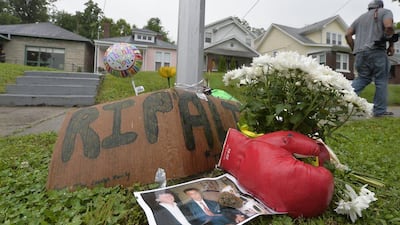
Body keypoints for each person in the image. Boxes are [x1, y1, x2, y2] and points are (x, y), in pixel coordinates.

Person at [345, 0, 395, 117]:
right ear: (380, 6)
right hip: (376, 51)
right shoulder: (386, 12)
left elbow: (348, 34)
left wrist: (354, 49)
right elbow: (388, 27)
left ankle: (341, 101)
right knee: (381, 80)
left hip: (360, 54)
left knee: (362, 78)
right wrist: (390, 43)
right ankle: (379, 111)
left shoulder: (360, 18)